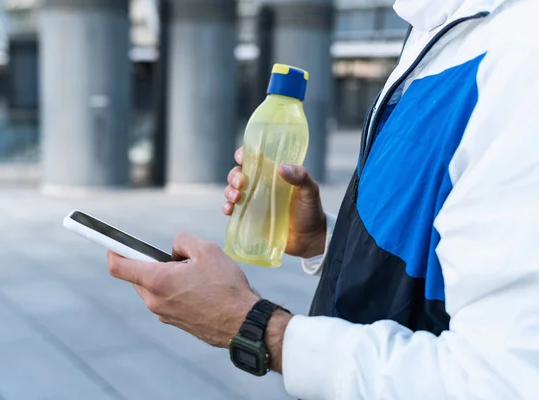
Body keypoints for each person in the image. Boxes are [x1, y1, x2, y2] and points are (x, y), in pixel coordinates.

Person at [107, 0, 539, 398]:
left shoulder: (519, 60)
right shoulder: (433, 29)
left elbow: (500, 381)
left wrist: (255, 326)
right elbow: (433, 266)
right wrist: (326, 241)